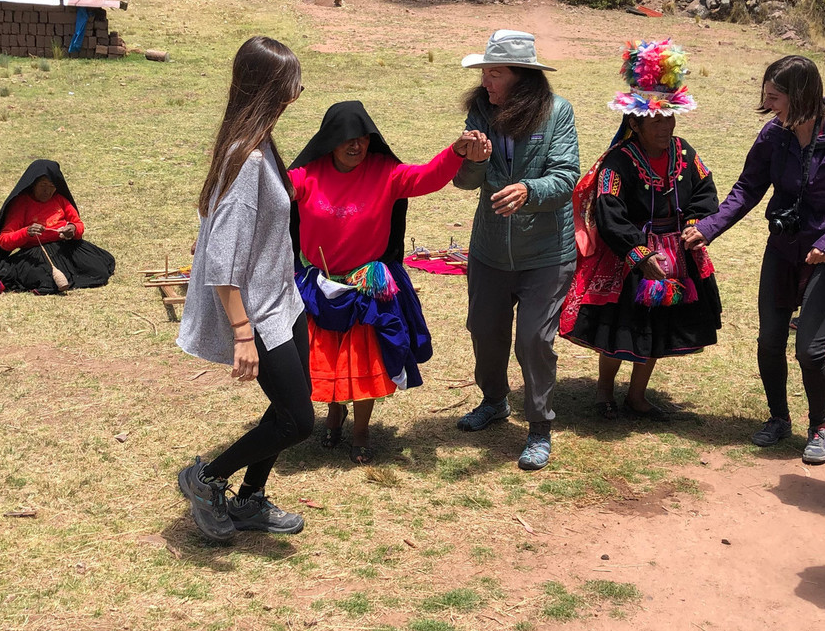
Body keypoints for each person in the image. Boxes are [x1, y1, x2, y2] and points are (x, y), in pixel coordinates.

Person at [683, 55, 825, 464]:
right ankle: (778, 418)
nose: (767, 104)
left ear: (800, 95)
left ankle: (819, 426)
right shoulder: (774, 134)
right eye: (766, 95)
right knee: (770, 339)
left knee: (810, 349)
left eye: (774, 97)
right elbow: (747, 188)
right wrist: (709, 228)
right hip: (784, 246)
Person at [288, 101, 491, 465]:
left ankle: (361, 430)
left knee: (362, 361)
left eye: (364, 138)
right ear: (330, 140)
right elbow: (271, 194)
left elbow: (427, 177)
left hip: (366, 286)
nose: (357, 145)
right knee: (329, 358)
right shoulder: (307, 175)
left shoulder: (386, 173)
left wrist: (456, 152)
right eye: (348, 138)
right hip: (319, 284)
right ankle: (334, 411)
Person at [176, 36, 313, 543]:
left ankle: (250, 498)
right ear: (272, 89)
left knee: (291, 404)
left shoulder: (258, 144)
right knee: (299, 422)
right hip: (258, 312)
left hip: (283, 299)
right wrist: (241, 333)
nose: (298, 93)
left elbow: (216, 224)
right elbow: (220, 260)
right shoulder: (248, 159)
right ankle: (207, 479)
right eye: (293, 84)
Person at [561, 40, 721, 421]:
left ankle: (637, 396)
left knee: (657, 328)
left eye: (669, 117)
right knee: (619, 330)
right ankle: (604, 392)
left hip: (675, 255)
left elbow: (705, 191)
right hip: (629, 257)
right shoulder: (619, 162)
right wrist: (639, 253)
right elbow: (609, 211)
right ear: (635, 123)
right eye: (657, 120)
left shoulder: (685, 153)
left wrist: (694, 225)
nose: (666, 126)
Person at [454, 29, 580, 471]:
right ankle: (494, 402)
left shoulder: (557, 112)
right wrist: (472, 160)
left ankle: (539, 427)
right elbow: (465, 182)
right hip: (489, 248)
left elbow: (566, 176)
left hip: (546, 252)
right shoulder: (480, 112)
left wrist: (528, 190)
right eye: (484, 72)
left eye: (495, 73)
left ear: (522, 77)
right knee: (484, 331)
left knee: (534, 339)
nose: (485, 81)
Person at [0, 159, 115, 295]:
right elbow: (4, 240)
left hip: (64, 249)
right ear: (33, 184)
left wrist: (73, 229)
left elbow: (78, 224)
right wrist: (26, 232)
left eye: (52, 186)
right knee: (43, 277)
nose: (47, 191)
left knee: (98, 269)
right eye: (43, 185)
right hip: (36, 254)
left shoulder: (60, 199)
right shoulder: (21, 204)